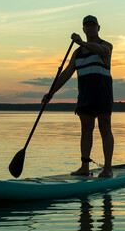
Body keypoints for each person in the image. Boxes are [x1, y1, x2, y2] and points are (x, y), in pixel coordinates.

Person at [42, 15, 114, 177]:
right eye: (87, 26)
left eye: (92, 25)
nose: (90, 28)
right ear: (83, 29)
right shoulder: (77, 53)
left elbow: (104, 51)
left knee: (105, 129)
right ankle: (84, 167)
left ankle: (108, 169)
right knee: (86, 129)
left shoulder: (105, 45)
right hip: (85, 96)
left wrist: (81, 42)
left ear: (98, 28)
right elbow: (66, 74)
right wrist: (51, 93)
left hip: (103, 94)